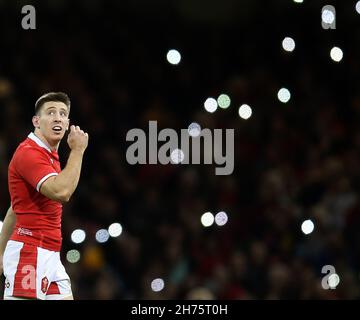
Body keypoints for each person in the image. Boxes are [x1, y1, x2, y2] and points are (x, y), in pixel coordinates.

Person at [0, 92, 88, 300]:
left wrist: (1, 252)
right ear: (36, 121)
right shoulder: (29, 153)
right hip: (29, 252)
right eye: (51, 112)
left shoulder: (47, 154)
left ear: (67, 124)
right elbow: (62, 192)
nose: (58, 117)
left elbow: (16, 208)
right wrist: (78, 151)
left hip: (49, 253)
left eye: (63, 113)